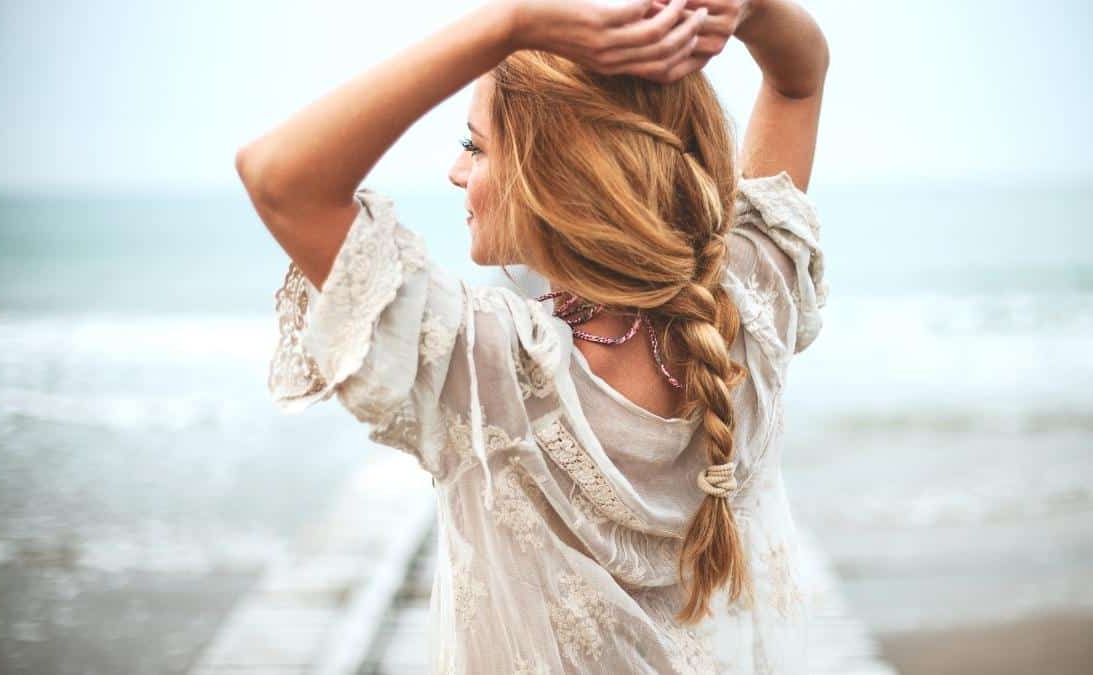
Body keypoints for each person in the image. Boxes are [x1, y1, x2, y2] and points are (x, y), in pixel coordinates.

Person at [236, 0, 829, 671]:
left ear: (556, 173)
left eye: (475, 147)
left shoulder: (490, 368)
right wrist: (748, 10)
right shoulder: (747, 305)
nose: (456, 171)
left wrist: (511, 24)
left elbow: (280, 177)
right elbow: (797, 82)